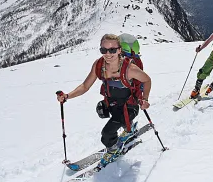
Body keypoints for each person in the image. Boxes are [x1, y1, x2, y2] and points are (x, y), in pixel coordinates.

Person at [56, 34, 151, 166]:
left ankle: (113, 150)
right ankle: (129, 129)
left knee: (107, 134)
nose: (108, 54)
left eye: (112, 50)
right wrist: (67, 96)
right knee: (104, 111)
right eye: (104, 50)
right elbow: (85, 86)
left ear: (119, 50)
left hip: (129, 106)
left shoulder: (129, 68)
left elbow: (147, 80)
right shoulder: (99, 65)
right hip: (112, 103)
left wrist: (145, 99)